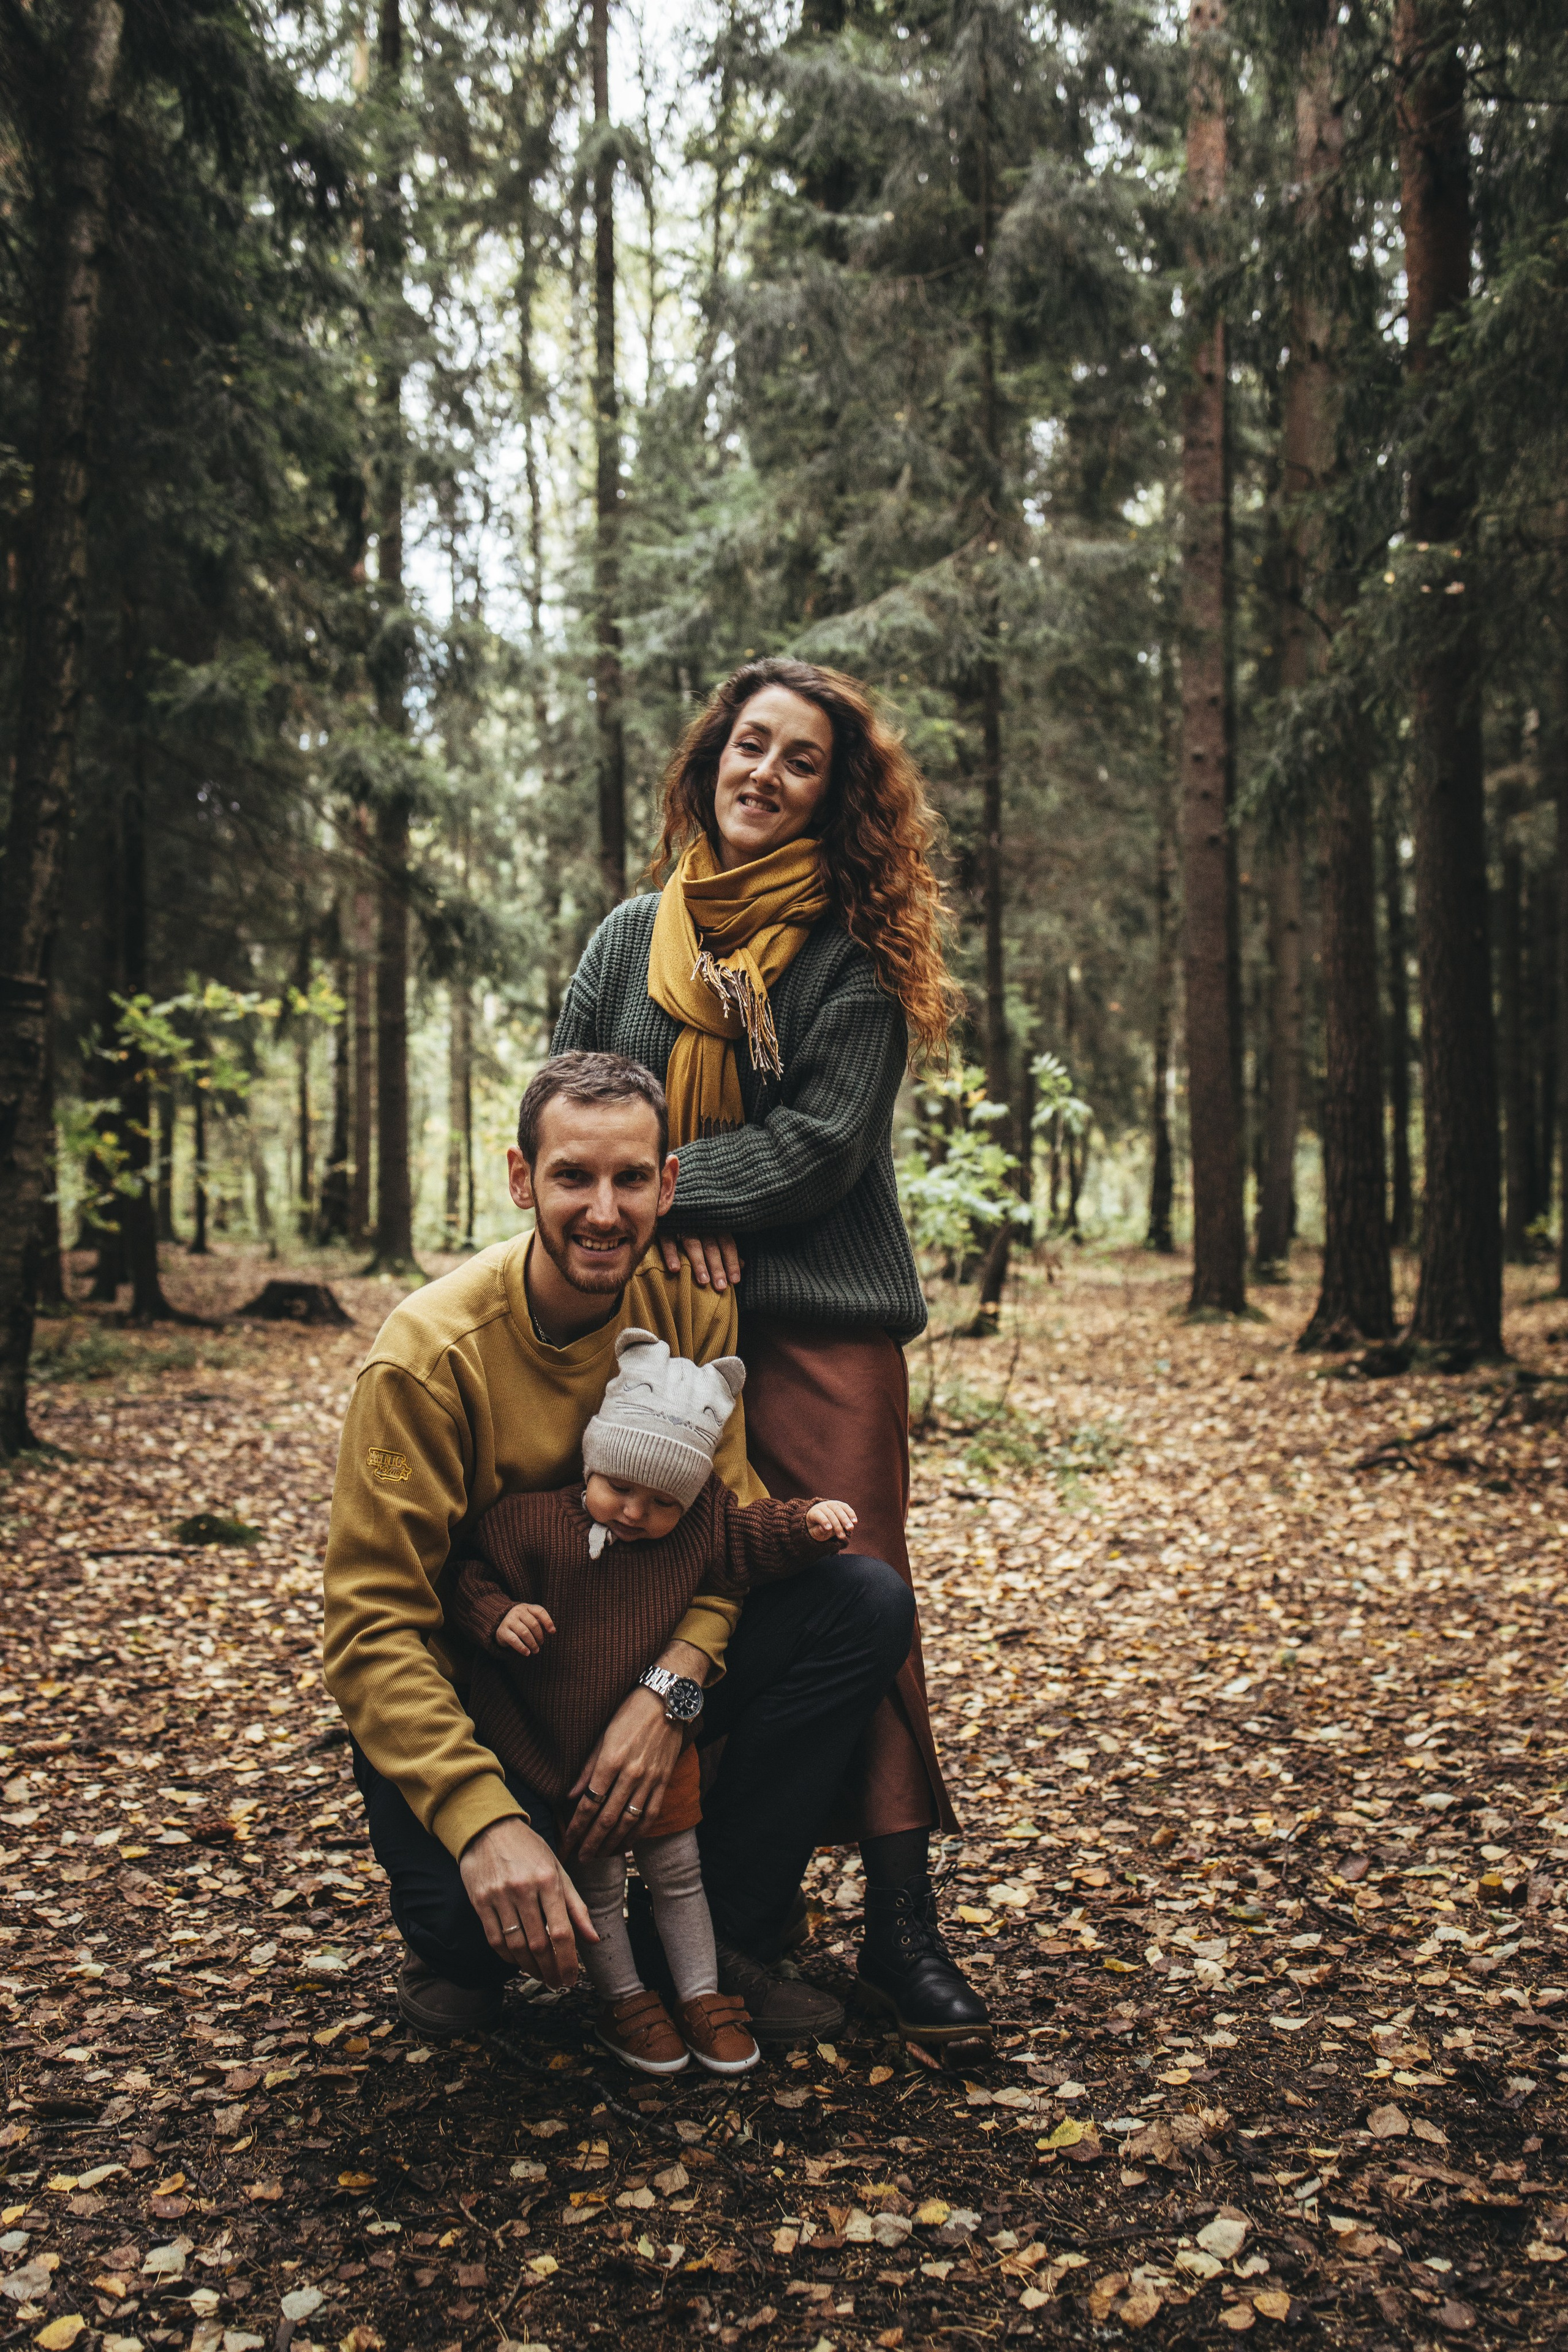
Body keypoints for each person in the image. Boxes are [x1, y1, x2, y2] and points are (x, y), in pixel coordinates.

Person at [551, 656, 990, 2043]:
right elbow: (572, 1087)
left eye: (801, 760)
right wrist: (651, 1213)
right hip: (653, 1316)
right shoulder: (630, 938)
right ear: (710, 759)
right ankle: (724, 1910)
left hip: (819, 1325)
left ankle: (899, 1928)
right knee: (666, 1580)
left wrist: (679, 1185)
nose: (766, 774)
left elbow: (817, 1148)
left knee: (857, 1592)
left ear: (833, 794)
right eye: (750, 745)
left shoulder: (847, 958)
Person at [321, 1049, 912, 2042]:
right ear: (521, 1180)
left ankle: (713, 1934)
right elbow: (374, 1628)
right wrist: (484, 1821)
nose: (604, 1210)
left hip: (639, 1655)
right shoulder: (428, 1357)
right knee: (476, 1945)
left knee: (864, 1606)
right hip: (500, 1695)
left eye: (631, 1178)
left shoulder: (686, 1305)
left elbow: (726, 1531)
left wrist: (671, 1690)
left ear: (669, 1184)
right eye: (572, 1177)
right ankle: (469, 1927)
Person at [447, 1325, 858, 2077]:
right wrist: (497, 1617)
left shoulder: (696, 1529)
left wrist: (807, 1523)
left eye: (662, 1500)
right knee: (599, 1881)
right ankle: (625, 1999)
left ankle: (701, 1994)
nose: (635, 1512)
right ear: (591, 1460)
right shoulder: (530, 1525)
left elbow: (751, 1536)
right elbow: (469, 1577)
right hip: (561, 1751)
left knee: (678, 1873)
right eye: (619, 1487)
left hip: (660, 1750)